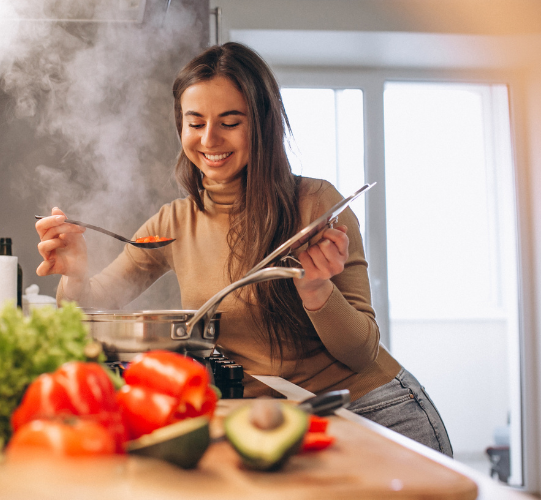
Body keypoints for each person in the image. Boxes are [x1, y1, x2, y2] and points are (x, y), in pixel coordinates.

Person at [34, 42, 453, 456]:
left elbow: (362, 354)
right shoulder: (173, 223)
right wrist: (75, 273)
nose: (209, 139)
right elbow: (90, 308)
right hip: (275, 421)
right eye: (195, 122)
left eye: (230, 122)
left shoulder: (316, 204)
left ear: (263, 124)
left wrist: (317, 291)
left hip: (372, 411)